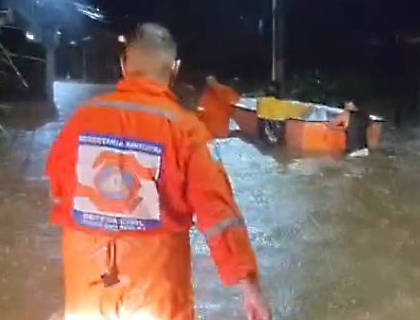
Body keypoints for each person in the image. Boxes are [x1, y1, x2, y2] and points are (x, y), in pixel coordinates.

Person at [46, 23, 270, 320]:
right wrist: (249, 286)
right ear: (174, 69)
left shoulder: (81, 120)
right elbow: (218, 214)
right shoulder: (186, 130)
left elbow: (59, 189)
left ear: (124, 65)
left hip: (87, 292)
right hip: (154, 297)